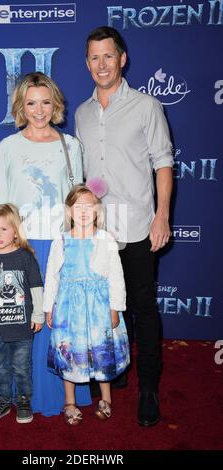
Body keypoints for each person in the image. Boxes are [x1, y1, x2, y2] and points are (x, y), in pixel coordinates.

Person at [0, 72, 91, 416]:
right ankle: (8, 397)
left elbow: (77, 202)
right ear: (21, 107)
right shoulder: (7, 147)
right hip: (16, 247)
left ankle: (56, 396)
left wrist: (81, 245)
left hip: (57, 245)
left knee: (54, 320)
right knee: (11, 323)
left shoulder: (71, 146)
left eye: (45, 102)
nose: (39, 110)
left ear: (56, 104)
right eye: (31, 103)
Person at [75, 26, 173, 426]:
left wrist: (162, 216)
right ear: (87, 63)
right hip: (97, 233)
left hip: (135, 227)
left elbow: (163, 163)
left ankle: (148, 388)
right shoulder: (81, 113)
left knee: (142, 310)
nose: (102, 64)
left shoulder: (147, 106)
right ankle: (115, 371)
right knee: (105, 311)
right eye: (94, 57)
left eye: (108, 56)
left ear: (122, 59)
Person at [43, 184, 130, 425]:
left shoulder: (106, 239)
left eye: (88, 206)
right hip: (69, 308)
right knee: (69, 352)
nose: (83, 211)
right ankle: (69, 402)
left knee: (102, 352)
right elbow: (52, 276)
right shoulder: (60, 240)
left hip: (99, 307)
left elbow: (116, 276)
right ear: (69, 211)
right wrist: (49, 307)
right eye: (77, 206)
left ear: (97, 210)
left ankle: (106, 398)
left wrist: (115, 308)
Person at [0, 203, 44, 424]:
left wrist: (38, 315)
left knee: (22, 367)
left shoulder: (25, 257)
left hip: (22, 326)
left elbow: (36, 287)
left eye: (3, 229)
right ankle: (2, 402)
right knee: (0, 366)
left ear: (15, 231)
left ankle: (23, 402)